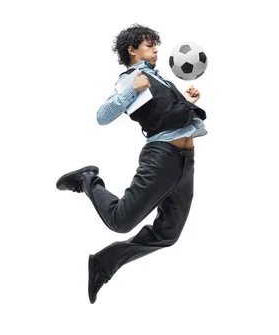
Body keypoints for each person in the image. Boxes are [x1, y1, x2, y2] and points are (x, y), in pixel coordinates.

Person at [56, 24, 208, 304]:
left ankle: (105, 262)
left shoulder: (159, 79)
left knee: (168, 233)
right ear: (132, 49)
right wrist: (131, 90)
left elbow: (164, 115)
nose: (156, 50)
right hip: (162, 158)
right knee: (120, 220)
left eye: (155, 46)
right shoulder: (132, 78)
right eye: (150, 46)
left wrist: (187, 102)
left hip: (185, 162)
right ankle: (87, 179)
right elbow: (102, 116)